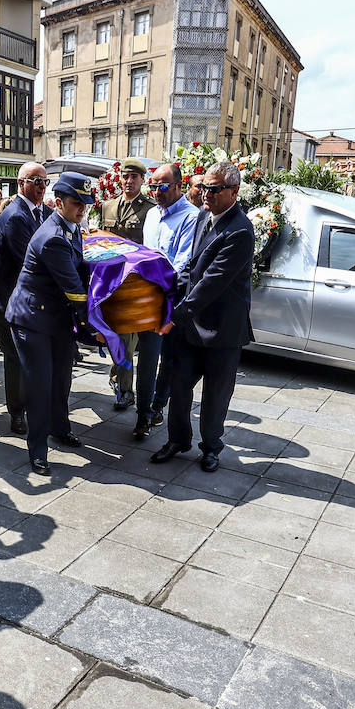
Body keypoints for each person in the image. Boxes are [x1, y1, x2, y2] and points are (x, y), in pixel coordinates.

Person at [151, 159, 255, 473]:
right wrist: (165, 301)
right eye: (205, 187)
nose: (206, 194)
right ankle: (178, 440)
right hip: (192, 325)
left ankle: (210, 448)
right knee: (179, 385)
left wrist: (175, 316)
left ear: (234, 191)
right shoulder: (201, 217)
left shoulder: (240, 230)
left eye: (214, 189)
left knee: (215, 395)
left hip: (222, 328)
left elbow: (212, 283)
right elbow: (191, 270)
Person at [7, 171, 94, 475]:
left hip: (54, 315)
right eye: (76, 203)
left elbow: (81, 267)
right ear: (58, 203)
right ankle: (38, 450)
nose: (82, 209)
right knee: (40, 385)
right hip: (32, 319)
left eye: (86, 203)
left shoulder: (71, 228)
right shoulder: (54, 237)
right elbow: (74, 289)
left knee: (62, 378)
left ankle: (60, 428)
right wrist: (94, 326)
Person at [135, 162, 198, 440]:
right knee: (147, 360)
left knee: (168, 358)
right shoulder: (151, 214)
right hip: (146, 297)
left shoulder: (191, 217)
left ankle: (159, 404)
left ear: (178, 186)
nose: (156, 191)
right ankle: (143, 414)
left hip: (173, 298)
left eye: (162, 186)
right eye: (153, 186)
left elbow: (182, 265)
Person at [0, 162, 49, 435]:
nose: (41, 187)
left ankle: (30, 405)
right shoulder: (15, 216)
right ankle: (16, 413)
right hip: (10, 301)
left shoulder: (43, 212)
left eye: (44, 182)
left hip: (30, 301)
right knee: (14, 360)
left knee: (29, 359)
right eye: (35, 181)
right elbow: (30, 259)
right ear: (20, 183)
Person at [100, 158, 156, 411]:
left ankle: (125, 390)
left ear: (142, 180)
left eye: (134, 177)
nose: (129, 181)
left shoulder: (150, 210)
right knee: (115, 337)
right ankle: (118, 373)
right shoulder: (108, 207)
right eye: (125, 177)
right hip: (109, 284)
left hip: (135, 285)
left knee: (126, 340)